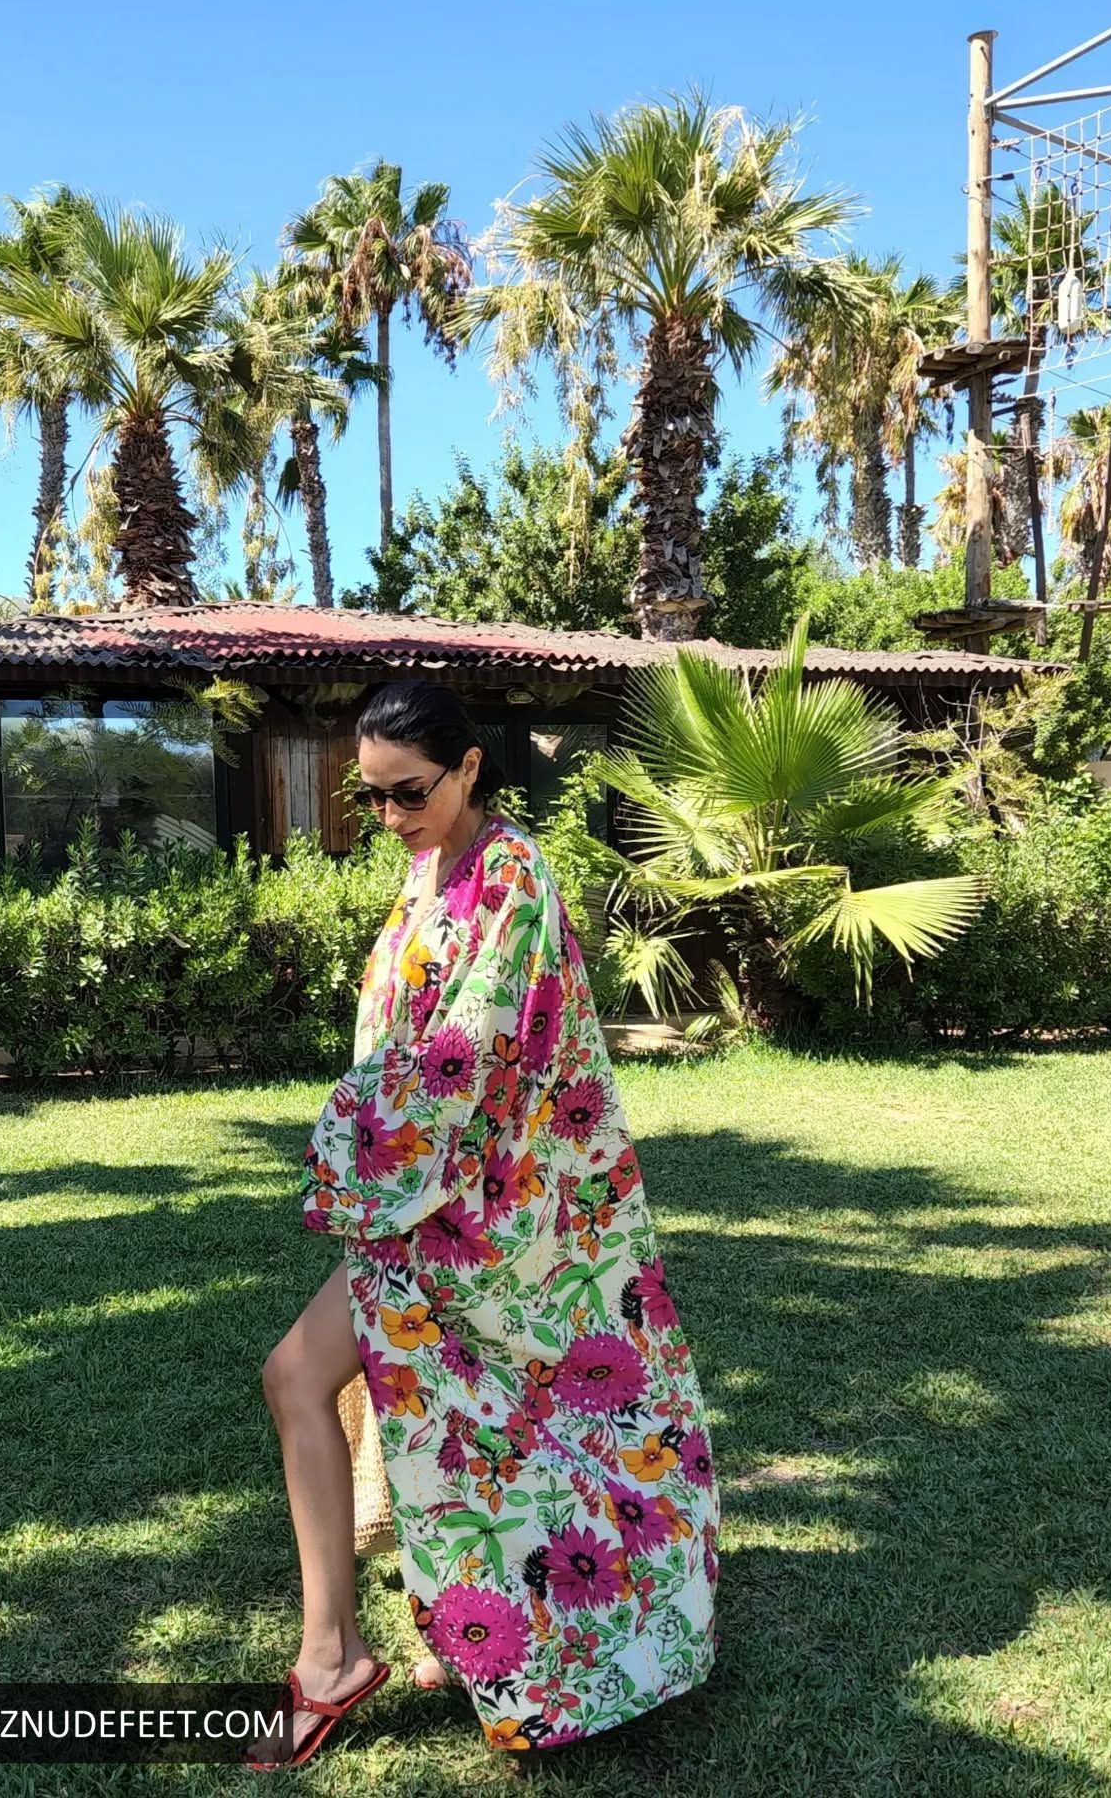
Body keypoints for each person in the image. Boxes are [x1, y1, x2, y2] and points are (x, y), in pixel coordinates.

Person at [255, 680, 721, 1768]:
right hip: (438, 1205)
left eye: (408, 792)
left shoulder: (512, 876)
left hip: (491, 1218)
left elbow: (466, 1061)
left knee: (320, 1383)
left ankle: (335, 1657)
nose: (389, 816)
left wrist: (352, 1151)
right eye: (370, 798)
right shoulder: (432, 868)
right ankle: (404, 1635)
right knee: (487, 1427)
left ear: (469, 767)